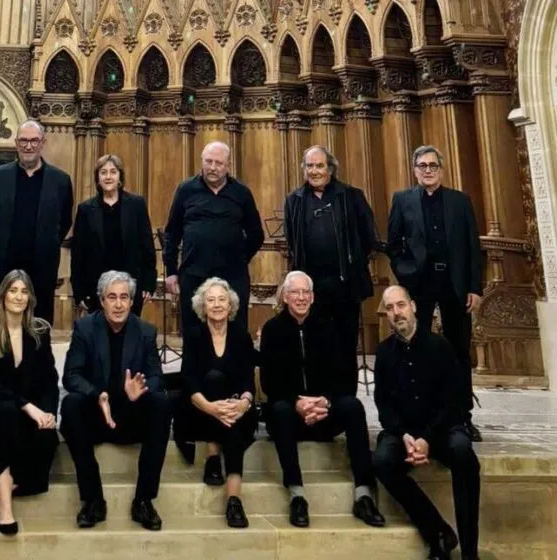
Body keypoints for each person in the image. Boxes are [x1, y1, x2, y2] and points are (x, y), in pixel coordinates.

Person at [259, 271, 385, 529]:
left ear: (313, 297)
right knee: (279, 409)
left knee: (352, 406)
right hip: (291, 416)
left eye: (306, 292)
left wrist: (325, 401)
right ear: (285, 296)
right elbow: (269, 381)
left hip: (324, 414)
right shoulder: (272, 330)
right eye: (295, 292)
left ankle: (363, 493)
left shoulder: (330, 327)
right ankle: (297, 494)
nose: (301, 298)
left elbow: (344, 376)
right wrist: (297, 402)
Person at [373, 286, 480, 560]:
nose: (397, 313)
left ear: (413, 307)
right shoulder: (384, 353)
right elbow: (383, 405)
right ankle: (438, 533)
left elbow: (452, 402)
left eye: (401, 305)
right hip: (405, 433)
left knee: (463, 453)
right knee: (382, 461)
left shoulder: (440, 347)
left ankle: (470, 552)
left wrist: (426, 438)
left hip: (440, 430)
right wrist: (405, 435)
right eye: (390, 308)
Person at [387, 145, 484, 442]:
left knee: (458, 351)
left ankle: (462, 416)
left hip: (454, 284)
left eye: (432, 165)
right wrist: (406, 275)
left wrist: (474, 287)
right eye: (422, 165)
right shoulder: (402, 200)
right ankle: (418, 415)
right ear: (414, 169)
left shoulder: (460, 201)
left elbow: (472, 247)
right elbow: (394, 243)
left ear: (441, 169)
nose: (427, 170)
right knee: (414, 347)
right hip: (420, 284)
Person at [61, 271, 170, 531]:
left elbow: (157, 377)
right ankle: (93, 500)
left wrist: (140, 390)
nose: (119, 304)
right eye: (112, 297)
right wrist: (96, 395)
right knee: (71, 404)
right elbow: (71, 375)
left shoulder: (145, 331)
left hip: (131, 416)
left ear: (132, 302)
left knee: (161, 403)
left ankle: (143, 500)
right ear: (101, 300)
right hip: (97, 416)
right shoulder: (85, 328)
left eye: (124, 297)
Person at [0, 270, 59, 535]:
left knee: (47, 438)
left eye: (24, 291)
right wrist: (28, 406)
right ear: (2, 295)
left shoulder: (39, 332)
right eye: (13, 290)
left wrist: (49, 412)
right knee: (6, 415)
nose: (19, 296)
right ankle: (5, 508)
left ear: (30, 297)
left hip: (29, 410)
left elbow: (50, 379)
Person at [283, 145, 379, 397]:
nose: (314, 171)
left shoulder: (350, 196)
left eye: (319, 166)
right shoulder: (294, 200)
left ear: (330, 169)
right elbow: (292, 242)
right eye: (309, 166)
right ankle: (319, 402)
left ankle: (345, 403)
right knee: (315, 348)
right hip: (309, 292)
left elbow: (369, 238)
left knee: (346, 347)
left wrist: (354, 265)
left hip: (345, 286)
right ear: (303, 169)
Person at [177, 277, 257, 528]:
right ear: (203, 306)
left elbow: (247, 380)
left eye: (222, 299)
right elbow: (189, 382)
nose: (217, 304)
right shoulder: (194, 335)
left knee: (233, 420)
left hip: (235, 410)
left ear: (231, 304)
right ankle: (215, 459)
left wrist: (244, 403)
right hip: (201, 409)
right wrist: (212, 408)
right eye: (210, 300)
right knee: (213, 379)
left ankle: (233, 496)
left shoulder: (241, 336)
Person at [163, 141, 264, 340]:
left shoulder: (241, 193)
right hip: (193, 274)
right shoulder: (186, 190)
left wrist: (240, 257)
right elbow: (171, 234)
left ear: (228, 166)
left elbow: (256, 234)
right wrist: (172, 272)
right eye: (208, 161)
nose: (212, 167)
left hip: (233, 275)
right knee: (193, 335)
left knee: (235, 333)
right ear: (202, 161)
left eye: (218, 163)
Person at [0, 120, 73, 324]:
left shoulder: (60, 180)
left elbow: (65, 220)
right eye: (23, 140)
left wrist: (48, 242)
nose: (28, 146)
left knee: (39, 323)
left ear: (43, 143)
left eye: (34, 141)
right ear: (16, 143)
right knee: (2, 321)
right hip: (4, 262)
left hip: (42, 265)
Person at [71, 154, 156, 316]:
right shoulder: (85, 209)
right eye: (103, 172)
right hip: (96, 287)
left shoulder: (136, 205)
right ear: (97, 178)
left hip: (131, 285)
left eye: (113, 172)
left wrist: (148, 284)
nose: (108, 176)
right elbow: (78, 254)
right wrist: (78, 291)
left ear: (120, 176)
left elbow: (147, 246)